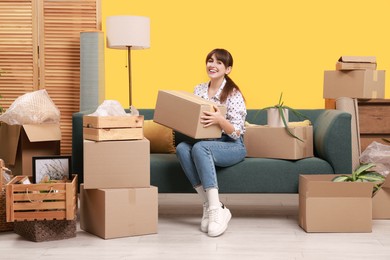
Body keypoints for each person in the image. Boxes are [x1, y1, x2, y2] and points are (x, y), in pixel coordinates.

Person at [176, 48, 247, 237]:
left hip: (232, 145)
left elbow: (237, 131)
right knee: (183, 148)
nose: (212, 65)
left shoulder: (233, 93)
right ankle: (210, 205)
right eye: (210, 60)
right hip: (205, 141)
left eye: (218, 62)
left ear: (228, 69)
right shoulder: (199, 89)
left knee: (200, 148)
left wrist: (220, 120)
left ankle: (216, 210)